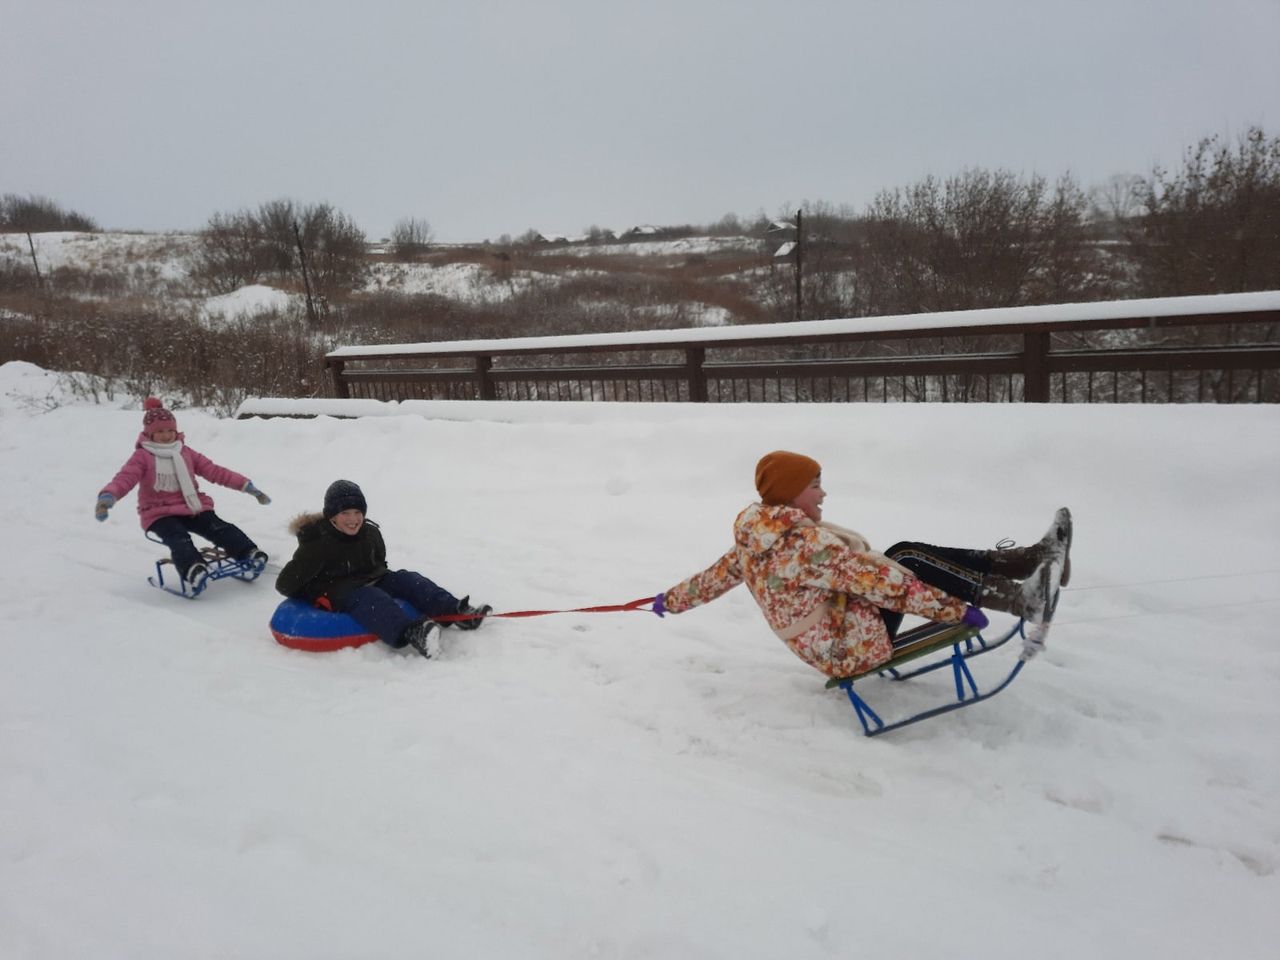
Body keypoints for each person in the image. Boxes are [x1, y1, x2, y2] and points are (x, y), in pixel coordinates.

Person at [653, 451, 1071, 680]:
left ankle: (1026, 561)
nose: (823, 494)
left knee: (903, 554)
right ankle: (1020, 597)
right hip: (848, 649)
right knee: (903, 559)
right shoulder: (802, 545)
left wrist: (665, 602)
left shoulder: (756, 540)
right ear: (789, 493)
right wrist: (956, 610)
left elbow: (708, 581)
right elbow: (885, 586)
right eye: (814, 486)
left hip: (835, 639)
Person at [275, 480, 492, 657]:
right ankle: (413, 633)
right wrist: (312, 591)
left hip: (372, 577)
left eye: (357, 512)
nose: (353, 519)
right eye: (345, 514)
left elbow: (379, 562)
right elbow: (285, 584)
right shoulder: (318, 543)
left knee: (408, 579)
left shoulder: (370, 533)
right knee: (370, 597)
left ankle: (457, 612)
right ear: (332, 516)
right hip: (339, 591)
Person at [96, 397, 271, 590]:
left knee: (218, 527)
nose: (166, 435)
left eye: (170, 430)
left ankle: (248, 552)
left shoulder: (185, 452)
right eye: (160, 431)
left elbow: (215, 471)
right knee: (178, 537)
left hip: (191, 506)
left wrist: (246, 486)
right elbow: (125, 478)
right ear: (149, 433)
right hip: (159, 513)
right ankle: (193, 569)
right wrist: (108, 497)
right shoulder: (142, 457)